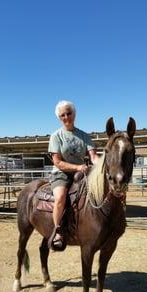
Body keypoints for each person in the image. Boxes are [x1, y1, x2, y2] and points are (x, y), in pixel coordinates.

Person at [48, 100, 99, 248]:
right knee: (60, 197)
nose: (66, 117)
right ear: (59, 118)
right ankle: (57, 231)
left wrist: (103, 164)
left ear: (74, 114)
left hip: (82, 173)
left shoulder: (84, 136)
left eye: (69, 113)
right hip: (61, 173)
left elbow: (94, 158)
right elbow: (57, 162)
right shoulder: (56, 136)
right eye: (62, 115)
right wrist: (77, 167)